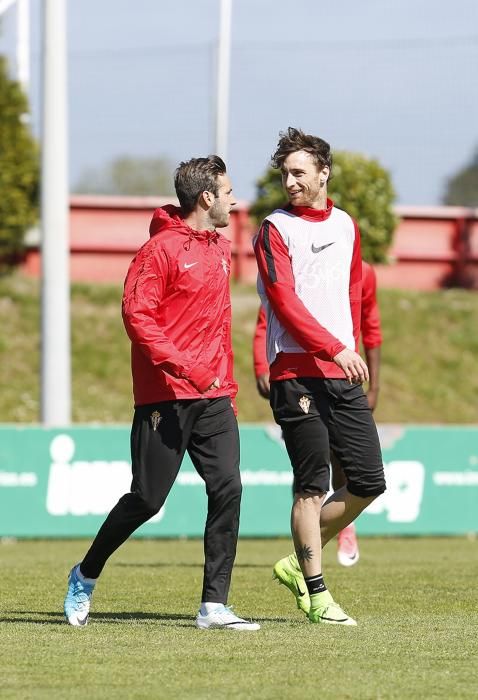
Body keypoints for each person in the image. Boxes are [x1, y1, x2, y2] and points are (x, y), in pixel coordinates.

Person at [64, 155, 260, 631]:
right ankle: (85, 574)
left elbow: (217, 326)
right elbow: (138, 318)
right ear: (206, 197)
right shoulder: (159, 251)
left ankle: (214, 605)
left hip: (214, 397)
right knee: (147, 500)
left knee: (228, 486)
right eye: (228, 191)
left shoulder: (219, 247)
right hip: (165, 398)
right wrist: (186, 366)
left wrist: (225, 386)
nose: (235, 199)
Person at [254, 127, 386, 626]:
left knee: (369, 482)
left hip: (341, 371)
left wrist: (350, 351)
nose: (290, 181)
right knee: (310, 486)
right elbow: (284, 304)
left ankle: (297, 559)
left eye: (299, 173)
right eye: (285, 173)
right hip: (296, 372)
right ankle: (316, 591)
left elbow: (352, 294)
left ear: (324, 173)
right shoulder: (273, 229)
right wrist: (334, 347)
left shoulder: (348, 225)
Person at [253, 259, 382, 567]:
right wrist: (261, 365)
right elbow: (267, 317)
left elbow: (371, 326)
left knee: (360, 474)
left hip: (342, 377)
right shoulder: (295, 268)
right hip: (297, 378)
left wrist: (375, 387)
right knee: (311, 474)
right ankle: (309, 565)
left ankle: (340, 527)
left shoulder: (363, 272)